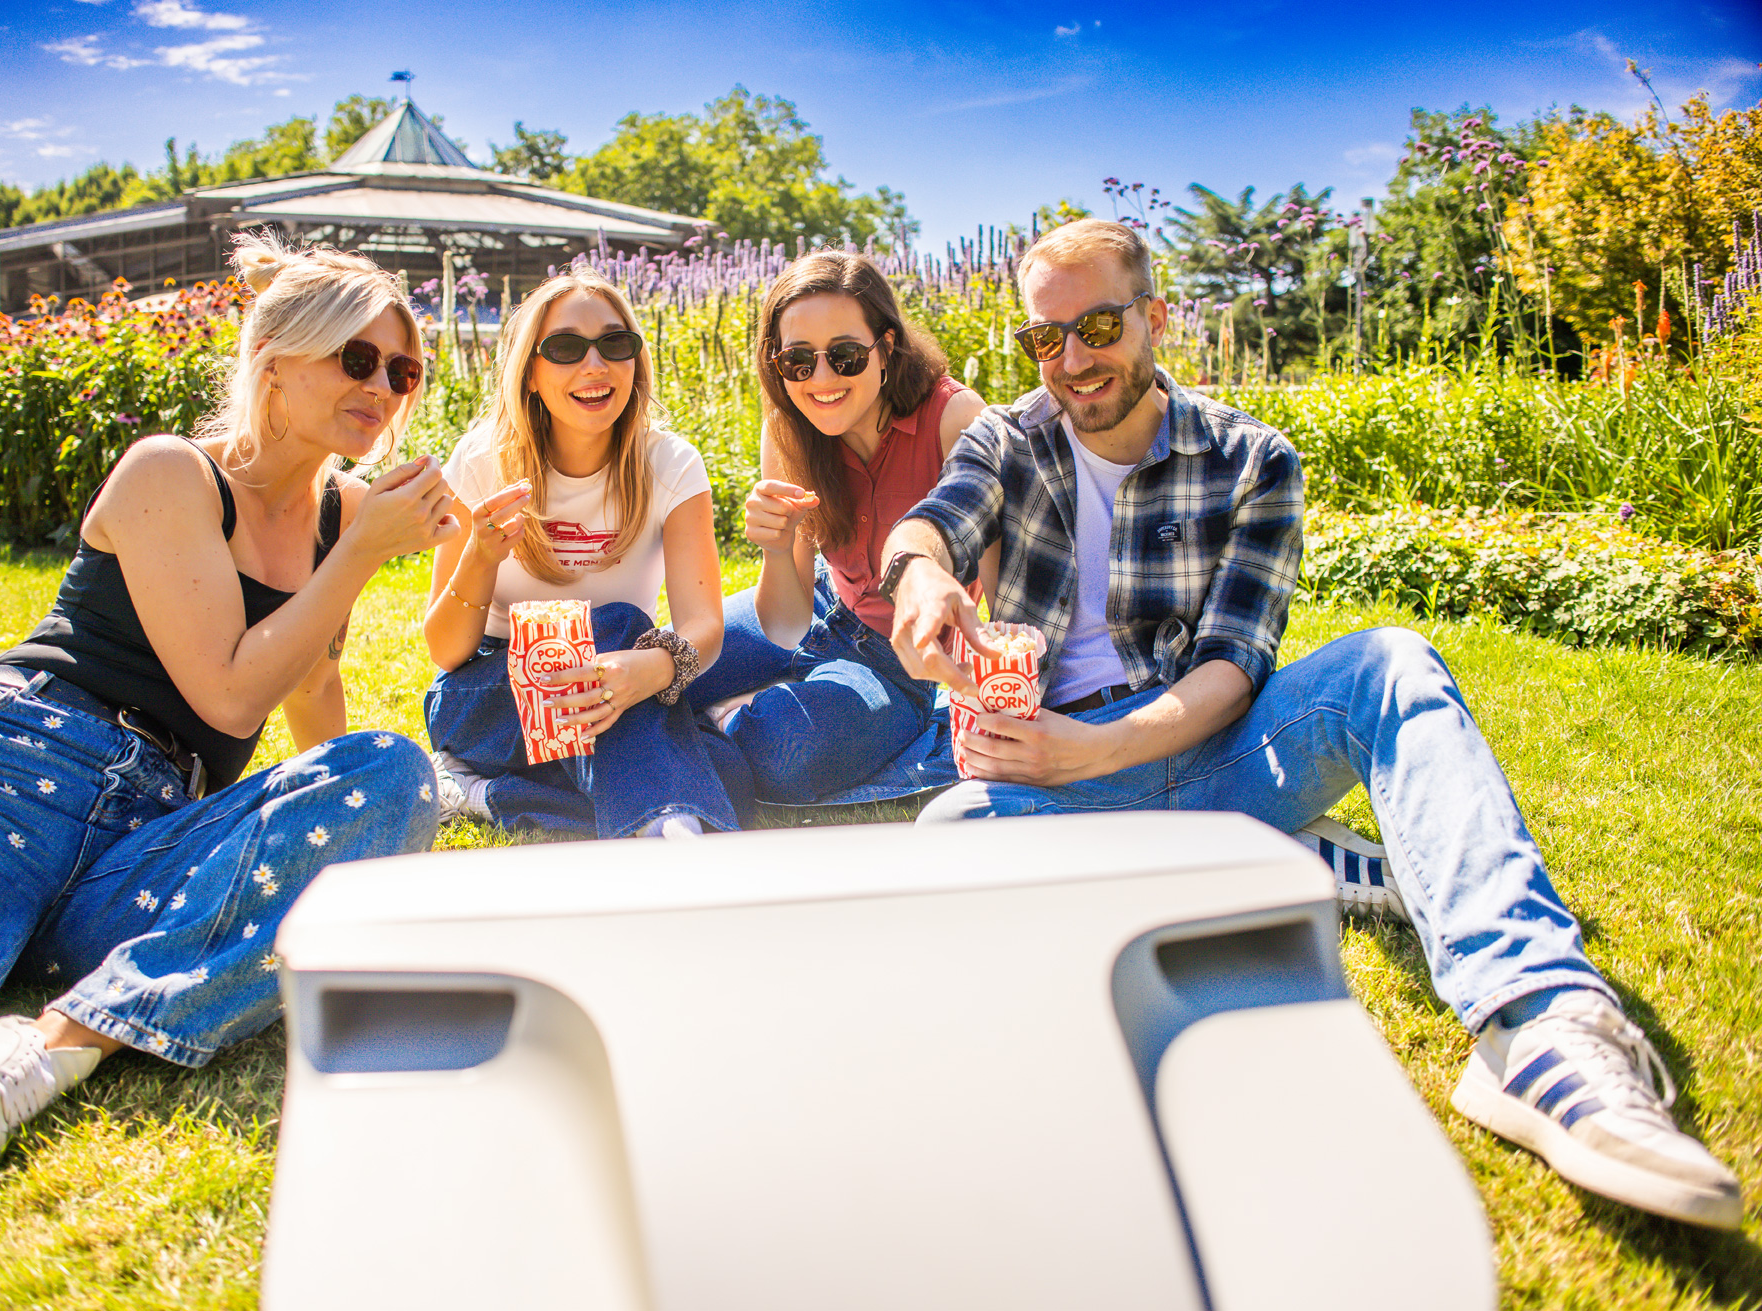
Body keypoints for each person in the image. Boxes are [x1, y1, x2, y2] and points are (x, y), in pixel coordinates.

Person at [878, 217, 1742, 1230]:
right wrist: (924, 576)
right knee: (953, 835)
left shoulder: (1253, 459)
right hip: (1044, 770)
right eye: (1044, 336)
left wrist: (1099, 749)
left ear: (1153, 318)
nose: (1071, 360)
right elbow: (934, 518)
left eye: (1099, 324)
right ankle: (1276, 857)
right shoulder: (1008, 436)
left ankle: (1537, 1020)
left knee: (1390, 661)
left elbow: (1231, 669)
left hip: (1195, 743)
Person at [0, 233, 453, 1298]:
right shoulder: (170, 472)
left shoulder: (337, 514)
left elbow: (309, 704)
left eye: (403, 370)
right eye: (356, 358)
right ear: (275, 360)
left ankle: (47, 1051)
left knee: (393, 771)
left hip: (148, 840)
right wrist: (362, 556)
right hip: (5, 768)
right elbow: (229, 693)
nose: (382, 387)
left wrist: (348, 842)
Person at [422, 266, 748, 839]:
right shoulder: (481, 462)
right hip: (487, 697)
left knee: (725, 771)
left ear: (634, 362)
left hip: (612, 689)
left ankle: (487, 794)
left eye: (614, 345)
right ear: (530, 375)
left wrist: (654, 668)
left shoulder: (670, 465)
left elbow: (703, 625)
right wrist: (478, 556)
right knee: (622, 627)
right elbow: (446, 651)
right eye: (567, 349)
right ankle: (668, 832)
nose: (594, 366)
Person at [685, 251, 989, 804]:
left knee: (788, 755)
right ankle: (738, 713)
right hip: (823, 607)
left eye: (845, 356)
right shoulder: (787, 430)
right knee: (667, 664)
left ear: (886, 348)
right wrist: (778, 550)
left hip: (898, 664)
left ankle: (732, 717)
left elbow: (1004, 580)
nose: (821, 379)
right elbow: (784, 620)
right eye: (798, 361)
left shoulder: (955, 420)